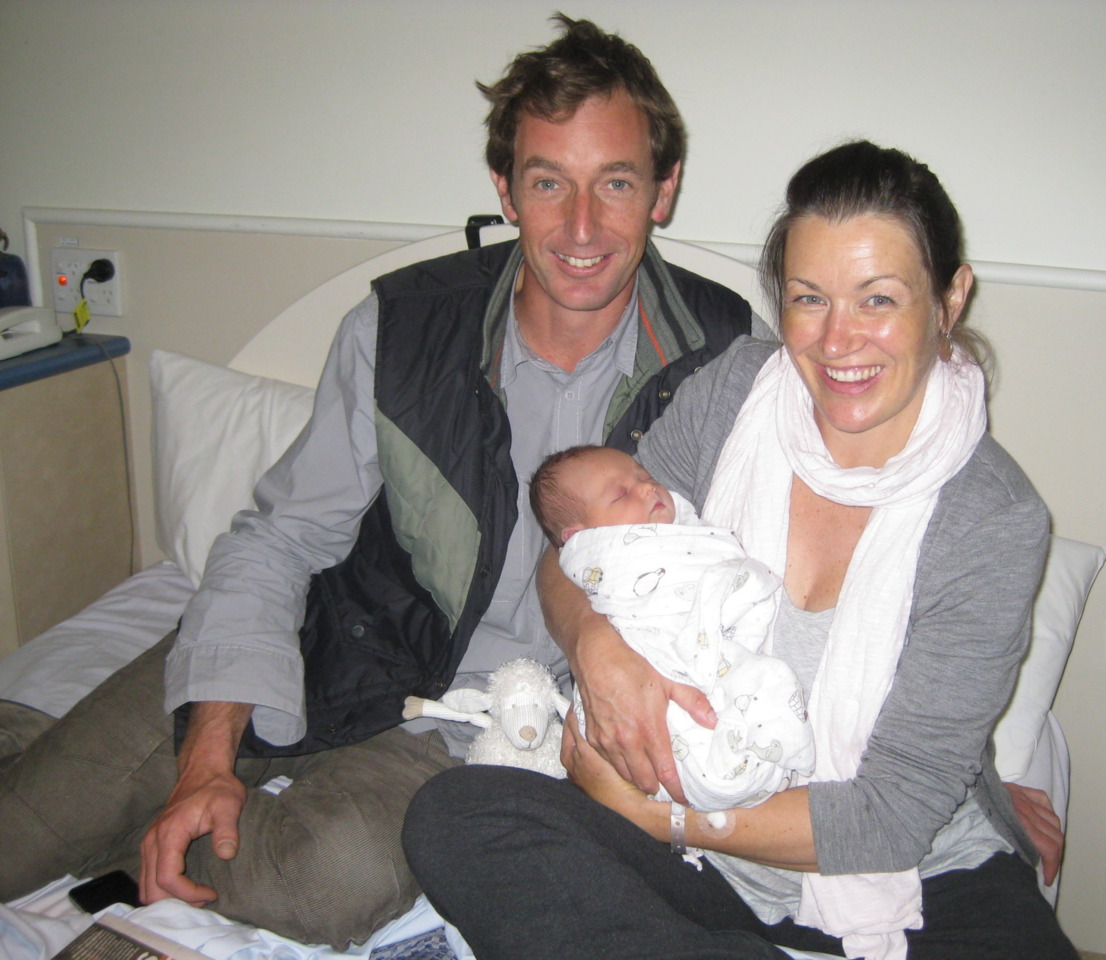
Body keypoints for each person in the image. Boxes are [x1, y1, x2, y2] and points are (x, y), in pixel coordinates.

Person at [0, 16, 759, 947]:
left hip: (476, 724)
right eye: (547, 182)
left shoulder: (725, 358)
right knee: (17, 833)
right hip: (328, 639)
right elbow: (281, 537)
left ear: (663, 190)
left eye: (616, 183)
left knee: (326, 883)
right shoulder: (402, 328)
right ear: (505, 190)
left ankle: (126, 853)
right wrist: (205, 754)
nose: (580, 226)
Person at [403, 140, 1079, 960]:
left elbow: (891, 818)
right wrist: (594, 643)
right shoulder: (735, 394)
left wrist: (657, 815)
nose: (838, 341)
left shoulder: (993, 519)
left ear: (949, 299)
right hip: (698, 866)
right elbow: (573, 557)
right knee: (455, 816)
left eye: (878, 299)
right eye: (809, 299)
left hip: (903, 875)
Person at [530, 444, 814, 812]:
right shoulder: (613, 560)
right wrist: (595, 642)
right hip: (651, 692)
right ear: (582, 538)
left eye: (645, 477)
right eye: (621, 494)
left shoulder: (678, 531)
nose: (647, 487)